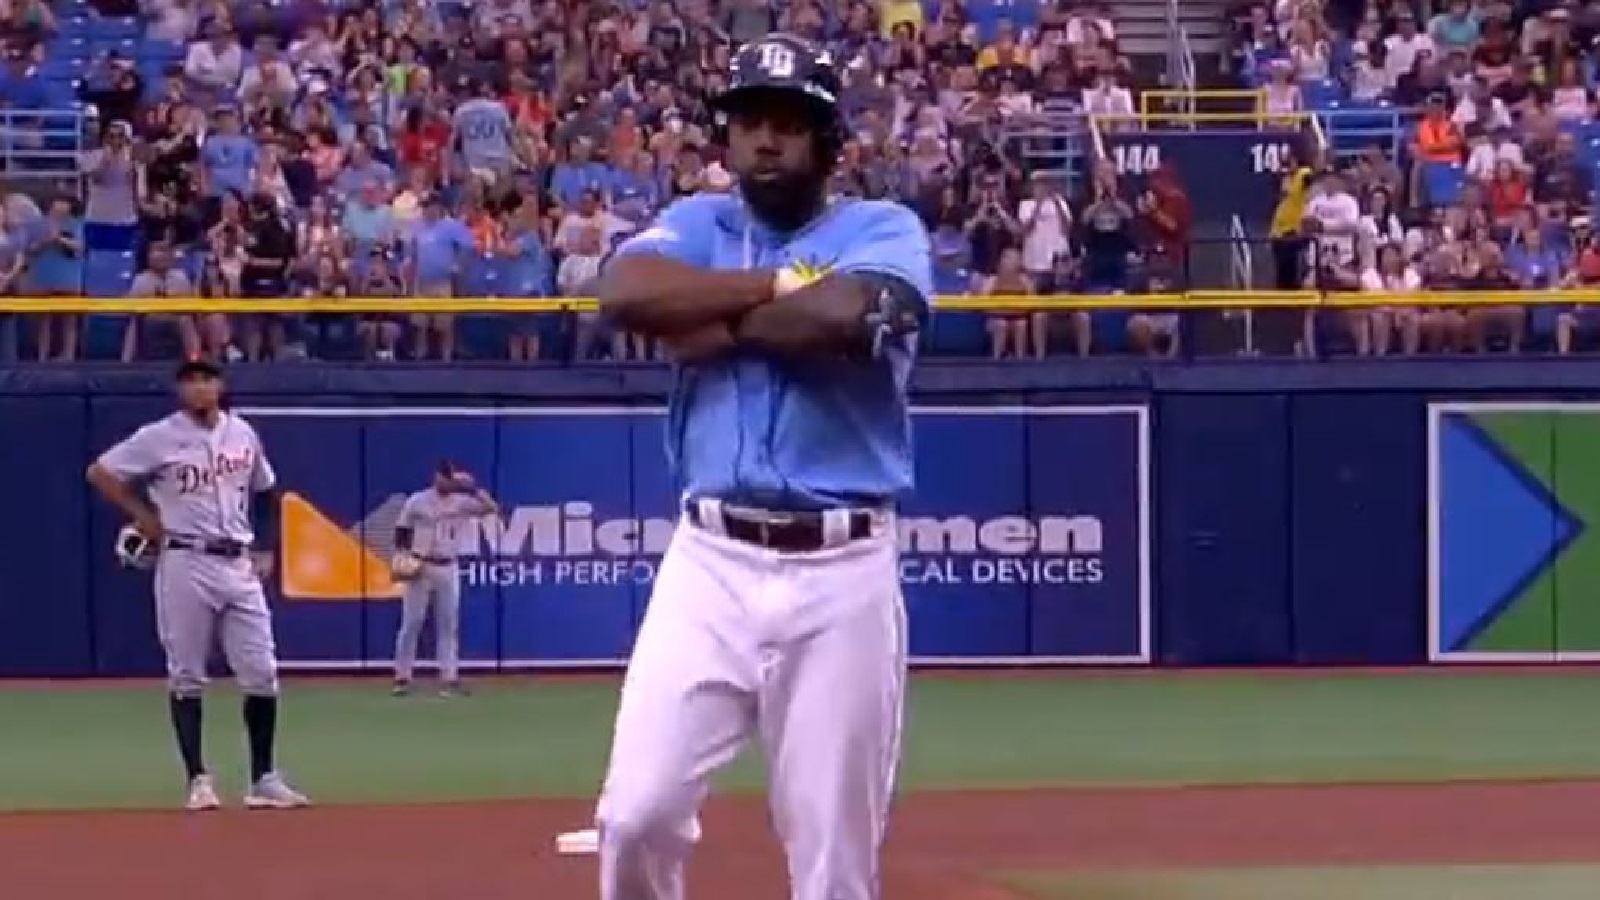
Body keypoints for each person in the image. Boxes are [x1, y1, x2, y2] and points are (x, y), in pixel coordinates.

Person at [590, 33, 932, 900]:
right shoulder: (699, 222)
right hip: (711, 559)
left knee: (832, 856)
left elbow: (845, 316)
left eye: (789, 123)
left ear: (827, 143)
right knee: (635, 813)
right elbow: (624, 297)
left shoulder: (882, 227)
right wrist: (783, 289)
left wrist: (706, 321)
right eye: (750, 122)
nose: (766, 140)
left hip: (842, 568)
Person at [84, 359, 309, 812]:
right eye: (191, 381)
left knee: (262, 672)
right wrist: (142, 514)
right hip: (185, 560)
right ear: (179, 390)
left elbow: (266, 489)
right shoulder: (159, 436)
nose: (201, 388)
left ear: (221, 385)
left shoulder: (243, 433)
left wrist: (266, 546)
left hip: (238, 561)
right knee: (187, 672)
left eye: (208, 379)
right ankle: (198, 779)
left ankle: (263, 778)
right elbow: (101, 472)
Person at [389, 461, 499, 698]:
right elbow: (402, 529)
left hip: (448, 566)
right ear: (436, 477)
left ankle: (449, 678)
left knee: (448, 623)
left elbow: (492, 508)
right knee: (412, 622)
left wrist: (473, 487)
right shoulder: (418, 500)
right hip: (421, 564)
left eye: (450, 478)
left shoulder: (462, 501)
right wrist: (403, 558)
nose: (446, 481)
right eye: (443, 476)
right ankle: (402, 677)